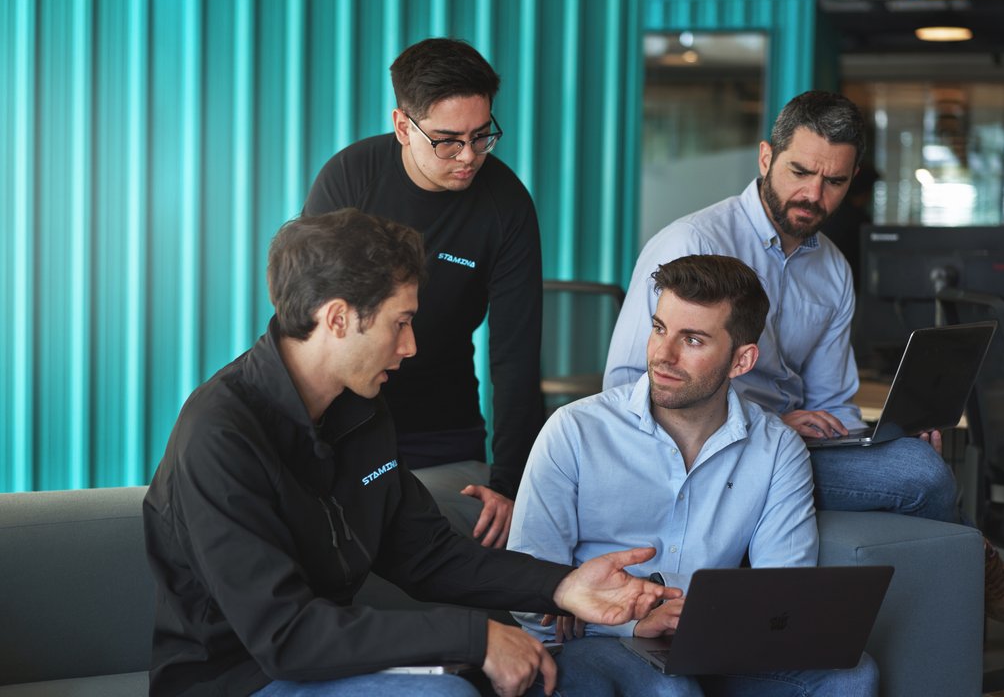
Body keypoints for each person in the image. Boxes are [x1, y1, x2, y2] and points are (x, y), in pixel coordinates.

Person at [142, 209, 678, 697]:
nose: (411, 346)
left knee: (621, 679)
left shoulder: (361, 407)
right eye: (400, 323)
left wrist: (562, 585)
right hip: (239, 680)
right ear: (337, 318)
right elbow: (286, 636)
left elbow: (427, 553)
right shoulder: (220, 434)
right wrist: (474, 638)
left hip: (331, 666)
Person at [603, 90, 1004, 628]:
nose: (813, 194)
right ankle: (976, 563)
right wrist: (765, 425)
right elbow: (626, 384)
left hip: (796, 450)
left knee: (913, 459)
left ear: (852, 178)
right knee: (921, 475)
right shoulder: (692, 242)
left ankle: (950, 591)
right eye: (800, 172)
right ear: (766, 158)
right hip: (712, 452)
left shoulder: (833, 268)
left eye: (834, 181)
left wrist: (877, 443)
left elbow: (833, 402)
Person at [509, 255, 877, 695]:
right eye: (659, 329)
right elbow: (528, 593)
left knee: (853, 674)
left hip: (718, 640)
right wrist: (632, 619)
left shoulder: (777, 448)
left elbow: (782, 594)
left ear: (741, 360)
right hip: (596, 641)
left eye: (693, 340)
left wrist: (684, 609)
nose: (662, 355)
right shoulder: (575, 430)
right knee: (671, 690)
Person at [304, 37, 542, 548]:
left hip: (443, 431)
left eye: (482, 136)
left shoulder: (506, 206)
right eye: (447, 141)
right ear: (402, 126)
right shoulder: (350, 180)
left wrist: (511, 482)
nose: (469, 157)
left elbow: (516, 354)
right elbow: (310, 319)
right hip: (344, 423)